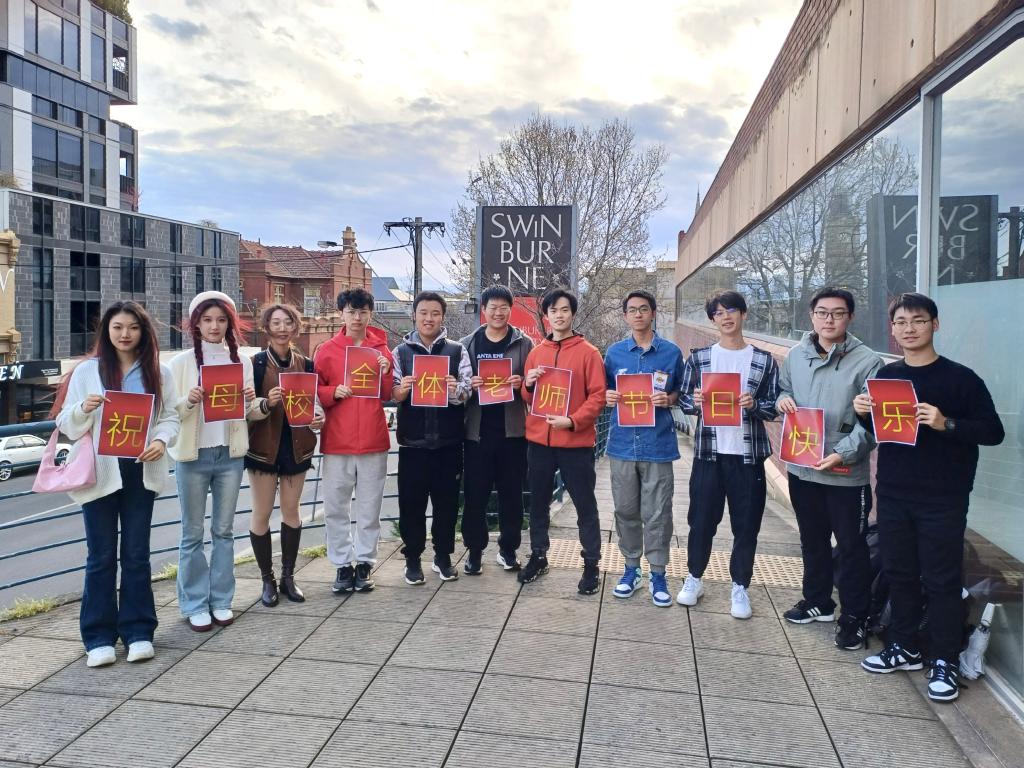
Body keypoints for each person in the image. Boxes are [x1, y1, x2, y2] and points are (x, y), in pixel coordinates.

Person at [855, 292, 1003, 702]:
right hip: (894, 491)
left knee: (941, 580)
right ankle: (903, 647)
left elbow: (993, 432)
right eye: (901, 322)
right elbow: (879, 432)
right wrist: (862, 413)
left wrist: (946, 423)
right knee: (899, 572)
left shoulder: (961, 379)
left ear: (934, 324)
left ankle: (945, 660)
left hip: (943, 498)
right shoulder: (887, 377)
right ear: (893, 329)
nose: (909, 329)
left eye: (918, 320)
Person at [54, 302, 179, 667]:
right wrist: (84, 409)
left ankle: (139, 631)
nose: (125, 334)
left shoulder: (159, 372)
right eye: (118, 327)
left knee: (137, 554)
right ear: (106, 331)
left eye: (133, 328)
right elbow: (66, 424)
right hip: (100, 472)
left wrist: (161, 441)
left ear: (144, 332)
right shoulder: (88, 371)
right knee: (101, 555)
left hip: (141, 470)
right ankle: (98, 637)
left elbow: (170, 417)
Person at [777, 287, 883, 650]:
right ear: (812, 316)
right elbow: (783, 390)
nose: (829, 320)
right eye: (822, 313)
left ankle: (854, 617)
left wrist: (843, 453)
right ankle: (818, 601)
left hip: (844, 474)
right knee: (812, 540)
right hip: (803, 469)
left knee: (852, 548)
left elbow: (875, 423)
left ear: (850, 317)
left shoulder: (868, 361)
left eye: (838, 313)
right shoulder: (796, 355)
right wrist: (783, 400)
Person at [677, 290, 779, 619]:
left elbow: (774, 406)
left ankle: (740, 586)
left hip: (748, 457)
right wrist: (695, 401)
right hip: (709, 454)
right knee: (701, 521)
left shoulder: (763, 360)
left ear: (743, 314)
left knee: (746, 525)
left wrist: (755, 404)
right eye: (718, 313)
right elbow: (683, 399)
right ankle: (694, 578)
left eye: (732, 310)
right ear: (713, 320)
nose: (726, 317)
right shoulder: (700, 359)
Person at [169, 291, 257, 632]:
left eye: (221, 320)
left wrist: (250, 400)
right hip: (193, 455)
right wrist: (189, 400)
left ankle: (221, 600)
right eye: (207, 320)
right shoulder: (180, 364)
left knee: (223, 531)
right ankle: (194, 603)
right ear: (196, 324)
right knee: (192, 532)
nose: (214, 326)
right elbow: (168, 412)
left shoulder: (242, 362)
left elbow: (248, 413)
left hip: (230, 454)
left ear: (229, 324)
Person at [519, 288, 607, 595]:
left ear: (573, 314)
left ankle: (591, 564)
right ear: (546, 315)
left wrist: (572, 421)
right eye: (553, 310)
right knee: (538, 503)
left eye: (565, 309)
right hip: (539, 441)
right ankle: (538, 556)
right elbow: (527, 396)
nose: (559, 315)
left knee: (585, 505)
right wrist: (528, 383)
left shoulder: (589, 353)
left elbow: (598, 397)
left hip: (575, 443)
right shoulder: (536, 352)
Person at [604, 289, 684, 607]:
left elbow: (682, 393)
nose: (638, 314)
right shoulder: (614, 354)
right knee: (625, 510)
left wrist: (669, 398)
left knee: (658, 513)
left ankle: (658, 573)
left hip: (658, 444)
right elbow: (602, 391)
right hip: (622, 444)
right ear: (625, 316)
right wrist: (608, 397)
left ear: (653, 313)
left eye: (644, 309)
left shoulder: (671, 353)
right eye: (632, 310)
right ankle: (631, 569)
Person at [315, 288, 394, 594]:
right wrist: (331, 392)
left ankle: (364, 562)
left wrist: (385, 372)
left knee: (369, 507)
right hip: (337, 439)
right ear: (341, 314)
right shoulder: (326, 350)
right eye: (351, 311)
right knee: (335, 507)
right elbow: (314, 390)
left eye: (362, 312)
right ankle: (341, 564)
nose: (357, 318)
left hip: (373, 438)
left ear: (370, 314)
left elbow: (386, 394)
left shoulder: (381, 350)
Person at [246, 303, 324, 607]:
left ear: (295, 327)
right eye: (275, 323)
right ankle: (267, 579)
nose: (281, 328)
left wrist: (318, 417)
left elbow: (315, 404)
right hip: (262, 448)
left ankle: (288, 576)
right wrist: (266, 403)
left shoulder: (306, 364)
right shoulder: (255, 364)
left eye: (287, 322)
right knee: (262, 513)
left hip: (297, 446)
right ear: (266, 327)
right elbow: (246, 410)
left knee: (292, 511)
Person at [392, 291, 472, 584]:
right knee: (411, 505)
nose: (429, 318)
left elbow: (467, 392)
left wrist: (454, 389)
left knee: (446, 506)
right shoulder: (401, 352)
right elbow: (393, 392)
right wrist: (403, 389)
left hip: (448, 443)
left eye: (435, 313)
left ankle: (443, 557)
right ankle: (412, 558)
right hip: (412, 443)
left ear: (442, 317)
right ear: (414, 315)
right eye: (423, 313)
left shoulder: (456, 351)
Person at [459, 285, 534, 574]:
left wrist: (522, 383)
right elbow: (457, 389)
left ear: (510, 310)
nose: (498, 312)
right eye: (493, 307)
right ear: (484, 310)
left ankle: (508, 550)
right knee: (475, 495)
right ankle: (475, 551)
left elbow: (536, 385)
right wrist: (470, 385)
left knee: (512, 495)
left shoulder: (524, 343)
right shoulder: (467, 344)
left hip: (513, 433)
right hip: (476, 433)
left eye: (504, 307)